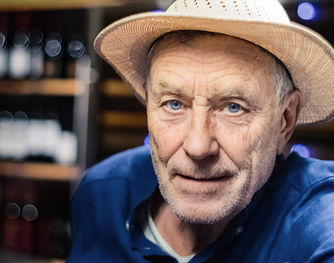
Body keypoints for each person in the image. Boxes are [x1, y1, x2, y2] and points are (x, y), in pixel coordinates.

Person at [67, 0, 334, 262]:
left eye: (233, 107)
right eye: (174, 104)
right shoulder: (102, 194)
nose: (197, 146)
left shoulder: (317, 222)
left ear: (285, 120)